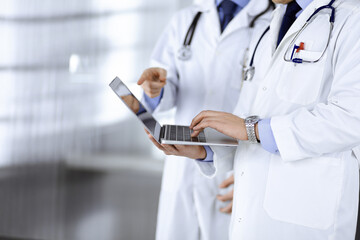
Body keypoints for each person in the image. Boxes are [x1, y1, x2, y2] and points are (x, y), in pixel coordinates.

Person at [148, 0, 360, 239]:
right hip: (249, 214)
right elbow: (245, 120)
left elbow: (351, 118)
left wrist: (253, 129)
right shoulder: (270, 25)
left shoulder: (352, 20)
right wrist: (205, 151)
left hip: (305, 214)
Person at [137, 0, 273, 239]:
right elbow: (167, 87)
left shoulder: (273, 20)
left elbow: (275, 111)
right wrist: (154, 89)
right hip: (182, 168)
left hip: (236, 170)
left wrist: (259, 182)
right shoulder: (186, 19)